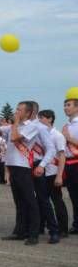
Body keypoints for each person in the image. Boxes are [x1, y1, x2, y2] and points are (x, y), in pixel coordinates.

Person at [0, 101, 55, 245]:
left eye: (19, 110)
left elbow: (14, 137)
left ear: (29, 113)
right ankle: (20, 231)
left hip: (26, 166)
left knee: (34, 201)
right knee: (19, 201)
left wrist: (42, 165)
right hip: (13, 166)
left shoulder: (34, 126)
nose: (16, 112)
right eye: (16, 109)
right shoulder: (14, 126)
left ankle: (37, 233)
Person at [27, 103, 61, 244]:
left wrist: (41, 165)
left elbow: (51, 150)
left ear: (32, 111)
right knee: (28, 199)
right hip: (24, 165)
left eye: (21, 109)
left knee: (43, 199)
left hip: (37, 164)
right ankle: (33, 228)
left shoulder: (41, 127)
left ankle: (54, 230)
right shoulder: (21, 126)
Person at [37, 110, 68, 237]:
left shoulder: (57, 135)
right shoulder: (39, 134)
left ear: (50, 119)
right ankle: (41, 226)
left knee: (57, 201)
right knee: (41, 201)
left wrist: (59, 175)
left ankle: (63, 228)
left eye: (42, 118)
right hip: (42, 171)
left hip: (53, 172)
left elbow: (62, 155)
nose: (39, 120)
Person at [62, 97, 78, 234]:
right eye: (65, 105)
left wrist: (68, 138)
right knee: (73, 195)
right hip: (68, 163)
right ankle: (76, 224)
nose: (65, 107)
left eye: (68, 105)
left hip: (77, 161)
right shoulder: (67, 125)